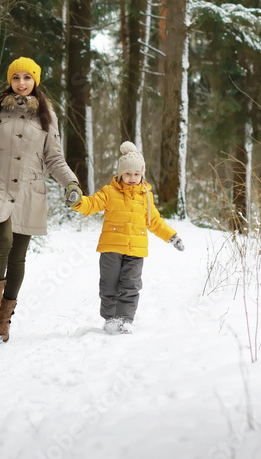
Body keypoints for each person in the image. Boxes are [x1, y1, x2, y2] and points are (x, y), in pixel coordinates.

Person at [0, 57, 82, 344]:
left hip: (29, 189)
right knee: (4, 239)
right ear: (9, 81)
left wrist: (71, 182)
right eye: (15, 78)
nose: (21, 83)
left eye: (27, 77)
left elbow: (54, 157)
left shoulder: (47, 114)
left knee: (18, 255)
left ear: (35, 81)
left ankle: (4, 321)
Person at [70, 141, 184, 335]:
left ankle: (124, 321)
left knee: (131, 285)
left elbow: (155, 221)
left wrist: (172, 236)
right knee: (109, 285)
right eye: (128, 174)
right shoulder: (109, 192)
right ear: (120, 174)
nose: (133, 178)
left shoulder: (146, 197)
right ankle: (110, 318)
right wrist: (77, 201)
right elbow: (90, 205)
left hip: (136, 250)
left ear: (142, 175)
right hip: (111, 249)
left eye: (137, 174)